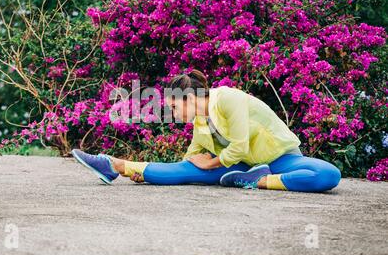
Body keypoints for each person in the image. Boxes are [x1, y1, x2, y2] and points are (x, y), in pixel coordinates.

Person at [72, 70, 341, 192]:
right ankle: (114, 165)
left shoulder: (228, 98)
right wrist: (149, 173)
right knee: (187, 171)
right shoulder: (200, 121)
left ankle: (254, 181)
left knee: (328, 174)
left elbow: (239, 146)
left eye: (175, 107)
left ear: (189, 98)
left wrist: (212, 162)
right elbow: (191, 159)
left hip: (279, 159)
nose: (174, 115)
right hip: (240, 165)